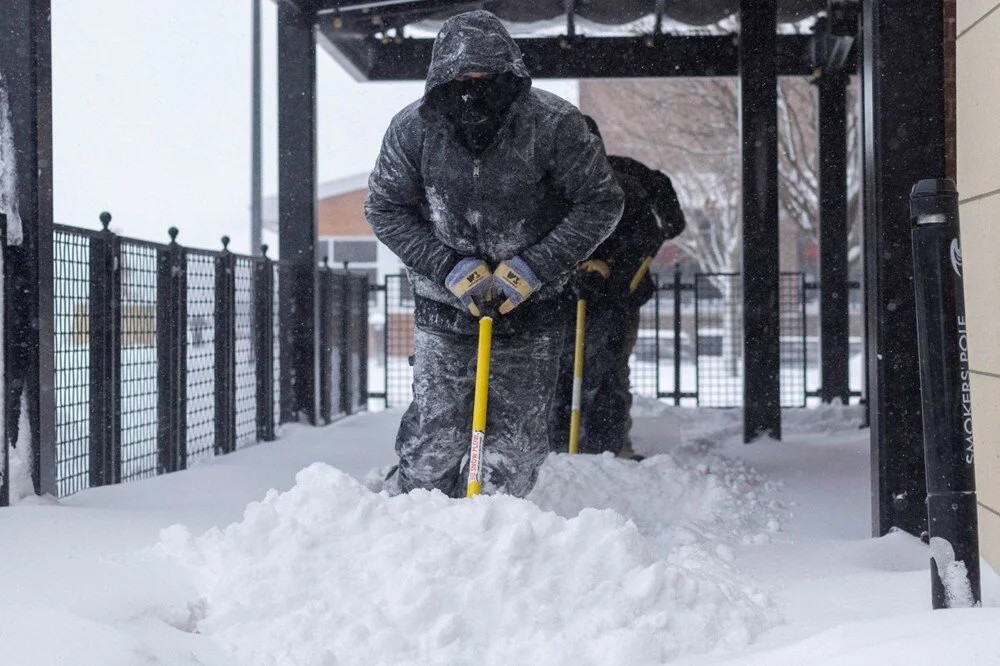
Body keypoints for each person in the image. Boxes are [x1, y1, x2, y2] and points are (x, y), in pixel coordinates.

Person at [365, 11, 624, 498]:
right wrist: (448, 267)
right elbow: (384, 207)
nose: (473, 90)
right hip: (446, 307)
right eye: (462, 79)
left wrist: (533, 268)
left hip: (532, 307)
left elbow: (601, 202)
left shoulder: (554, 124)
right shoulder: (412, 130)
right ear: (441, 76)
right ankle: (412, 526)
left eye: (487, 79)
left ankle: (494, 533)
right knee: (433, 441)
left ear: (512, 75)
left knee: (516, 450)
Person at [550, 116, 686, 458]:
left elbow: (647, 240)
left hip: (615, 299)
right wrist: (570, 270)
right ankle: (558, 451)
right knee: (558, 371)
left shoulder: (624, 187)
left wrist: (608, 270)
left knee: (607, 370)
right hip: (562, 299)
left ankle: (607, 451)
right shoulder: (548, 188)